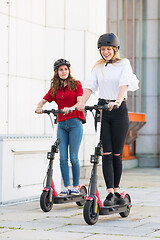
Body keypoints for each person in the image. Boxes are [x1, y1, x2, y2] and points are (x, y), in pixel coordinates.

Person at [76, 33, 139, 206]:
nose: (105, 52)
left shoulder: (123, 63)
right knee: (106, 153)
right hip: (102, 110)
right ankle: (109, 192)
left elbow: (124, 84)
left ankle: (117, 191)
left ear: (115, 49)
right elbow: (89, 87)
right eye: (103, 49)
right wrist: (81, 103)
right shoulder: (98, 67)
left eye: (108, 49)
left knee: (117, 154)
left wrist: (117, 101)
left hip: (119, 110)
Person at [36, 59, 84, 196]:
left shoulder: (76, 84)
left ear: (69, 70)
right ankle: (67, 186)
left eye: (66, 69)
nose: (64, 72)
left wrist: (71, 108)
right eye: (61, 70)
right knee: (62, 157)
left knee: (73, 157)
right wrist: (39, 107)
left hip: (75, 122)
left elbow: (80, 102)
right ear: (57, 72)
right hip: (61, 124)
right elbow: (43, 100)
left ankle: (76, 186)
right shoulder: (55, 88)